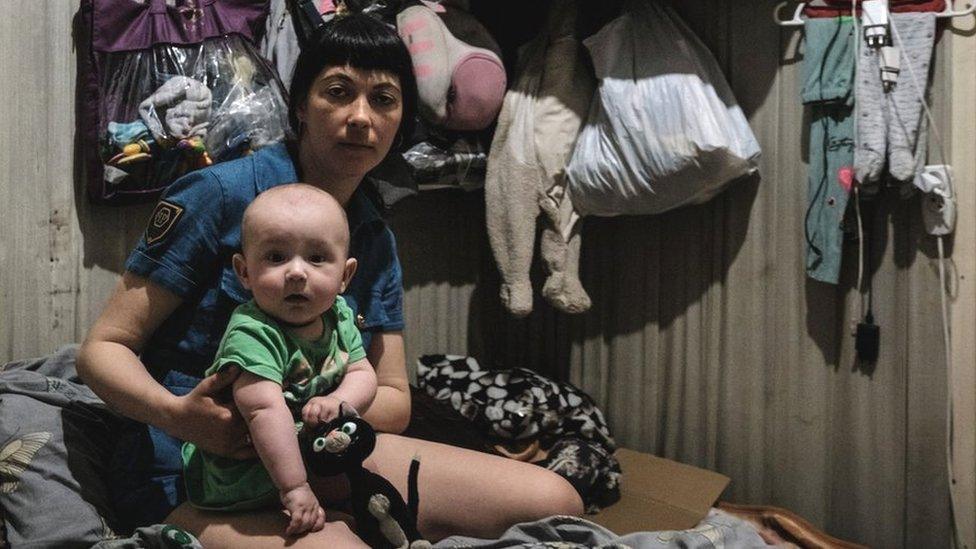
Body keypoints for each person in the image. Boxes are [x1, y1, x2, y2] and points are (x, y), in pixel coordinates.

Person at [77, 11, 583, 549]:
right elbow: (101, 350)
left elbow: (392, 398)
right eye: (338, 92)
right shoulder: (220, 195)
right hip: (198, 470)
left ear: (401, 119)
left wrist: (322, 408)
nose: (361, 117)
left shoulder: (371, 234)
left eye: (384, 100)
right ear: (300, 106)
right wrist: (183, 418)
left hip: (322, 447)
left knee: (557, 504)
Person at [182, 184, 374, 538]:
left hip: (307, 453)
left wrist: (336, 401)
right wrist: (295, 488)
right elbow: (263, 411)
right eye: (276, 257)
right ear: (244, 272)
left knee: (377, 486)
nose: (297, 272)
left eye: (317, 258)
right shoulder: (254, 332)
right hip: (246, 475)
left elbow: (363, 372)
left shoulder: (338, 315)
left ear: (344, 276)